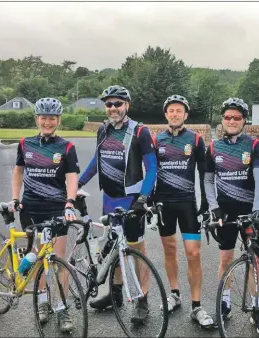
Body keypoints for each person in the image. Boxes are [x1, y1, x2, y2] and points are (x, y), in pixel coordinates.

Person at [77, 85, 157, 323]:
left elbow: (152, 167)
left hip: (131, 201)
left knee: (136, 250)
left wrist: (143, 198)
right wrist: (77, 183)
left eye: (118, 104)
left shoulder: (140, 131)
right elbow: (96, 161)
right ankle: (115, 295)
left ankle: (142, 300)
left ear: (127, 106)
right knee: (114, 248)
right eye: (109, 104)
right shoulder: (103, 130)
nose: (113, 108)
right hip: (109, 199)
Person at [9, 97, 79, 332]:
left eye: (52, 118)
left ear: (58, 120)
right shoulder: (25, 144)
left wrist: (70, 202)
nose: (47, 122)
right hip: (31, 209)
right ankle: (41, 303)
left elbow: (71, 176)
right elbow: (18, 171)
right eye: (43, 117)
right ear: (37, 119)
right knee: (39, 257)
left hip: (56, 209)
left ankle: (61, 308)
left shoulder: (66, 147)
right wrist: (15, 198)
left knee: (58, 260)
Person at [204, 97, 259, 336]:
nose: (231, 121)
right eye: (227, 117)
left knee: (257, 264)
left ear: (244, 120)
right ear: (222, 120)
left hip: (249, 212)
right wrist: (214, 207)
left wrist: (257, 211)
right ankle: (225, 303)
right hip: (225, 212)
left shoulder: (253, 145)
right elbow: (209, 181)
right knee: (225, 259)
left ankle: (257, 309)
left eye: (237, 117)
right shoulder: (212, 147)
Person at [151, 94, 213, 328]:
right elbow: (152, 172)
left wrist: (205, 202)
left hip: (188, 203)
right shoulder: (157, 140)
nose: (175, 114)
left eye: (179, 110)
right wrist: (151, 199)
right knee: (169, 249)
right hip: (164, 204)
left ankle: (197, 305)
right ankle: (174, 294)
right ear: (166, 114)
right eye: (171, 110)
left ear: (186, 115)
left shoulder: (195, 139)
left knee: (193, 253)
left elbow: (204, 173)